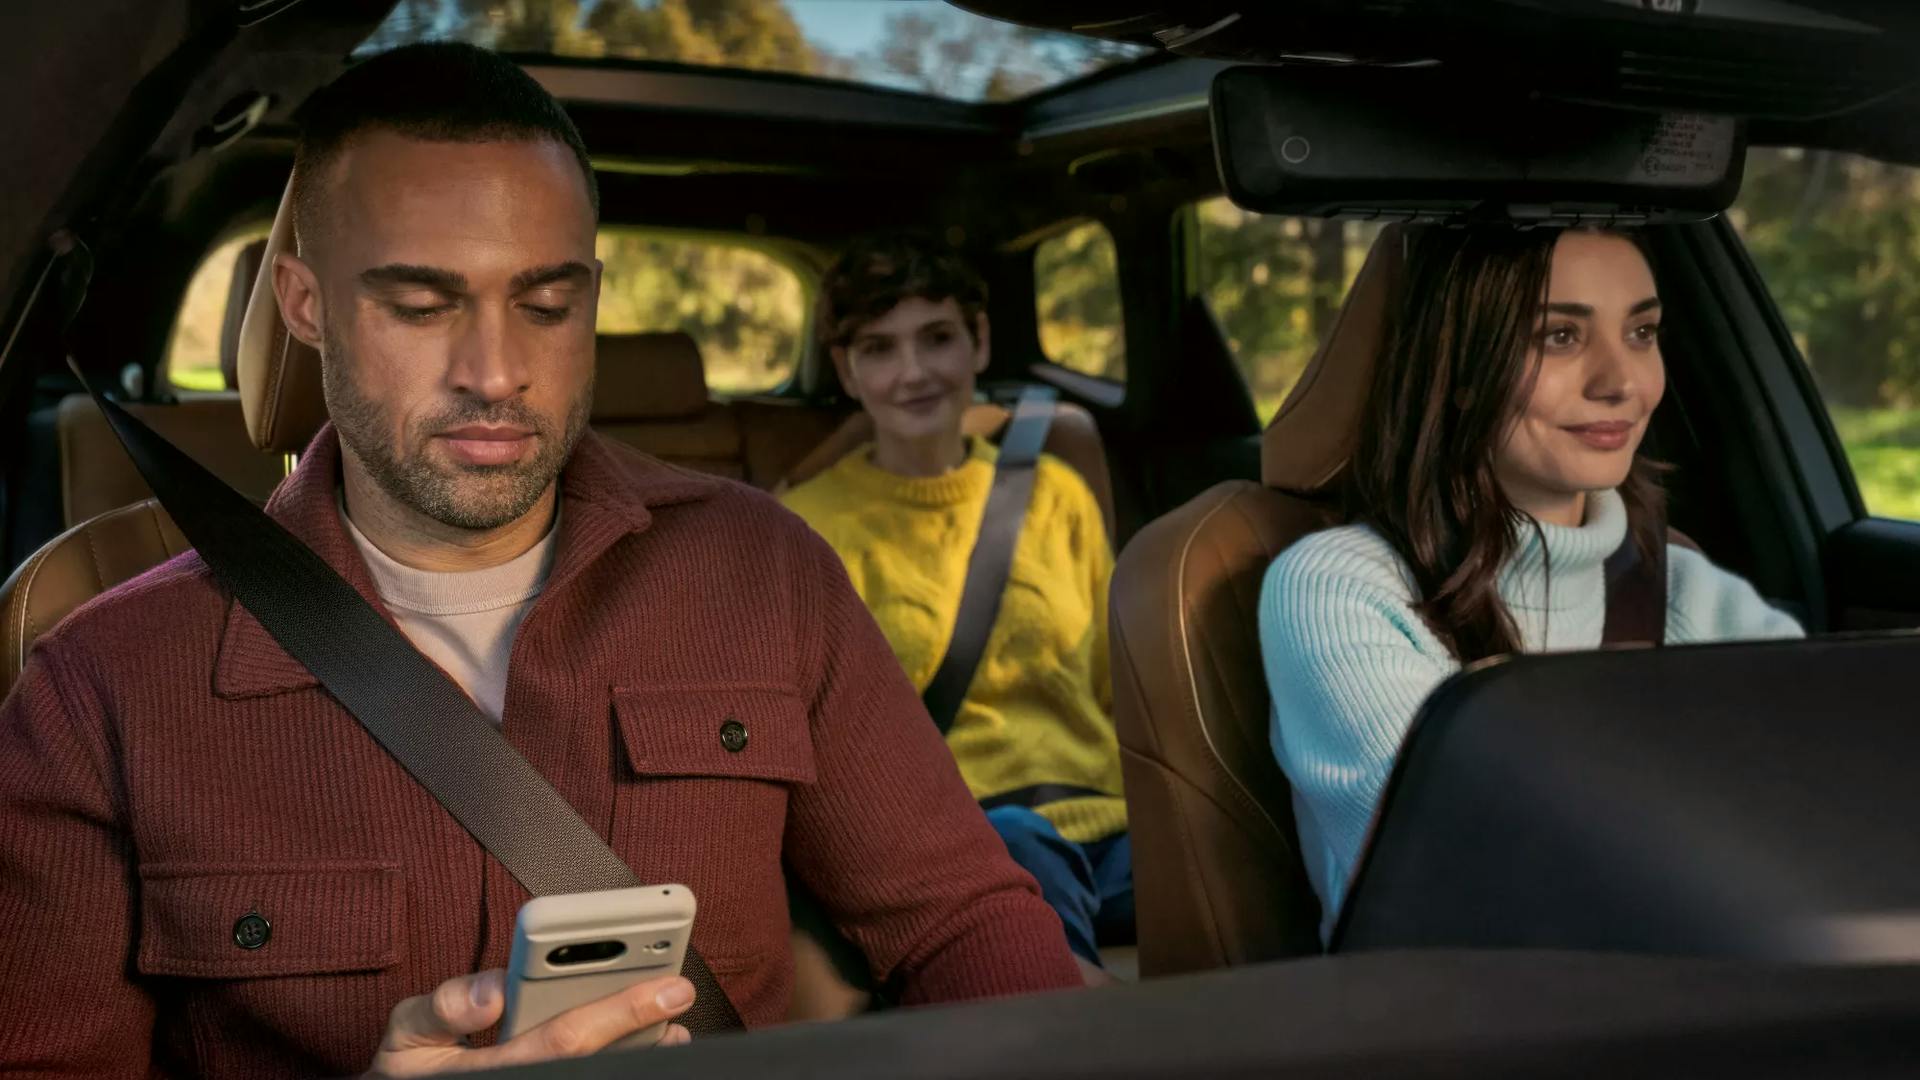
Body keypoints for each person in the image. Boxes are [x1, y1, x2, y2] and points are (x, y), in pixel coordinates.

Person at [0, 44, 1081, 1079]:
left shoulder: (765, 571)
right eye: (420, 305)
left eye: (548, 303)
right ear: (306, 305)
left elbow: (964, 923)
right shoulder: (104, 684)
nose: (497, 371)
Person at [1258, 226, 1805, 940]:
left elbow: (1819, 815)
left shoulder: (1694, 591)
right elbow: (1473, 865)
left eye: (1642, 331)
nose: (1622, 382)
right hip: (1465, 1027)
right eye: (1559, 337)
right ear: (1459, 370)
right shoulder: (1336, 590)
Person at [779, 233, 1131, 977]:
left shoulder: (1057, 492)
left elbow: (1116, 685)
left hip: (1113, 830)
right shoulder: (804, 529)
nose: (913, 373)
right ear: (846, 370)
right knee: (1020, 848)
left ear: (979, 342)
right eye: (878, 348)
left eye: (937, 338)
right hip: (964, 841)